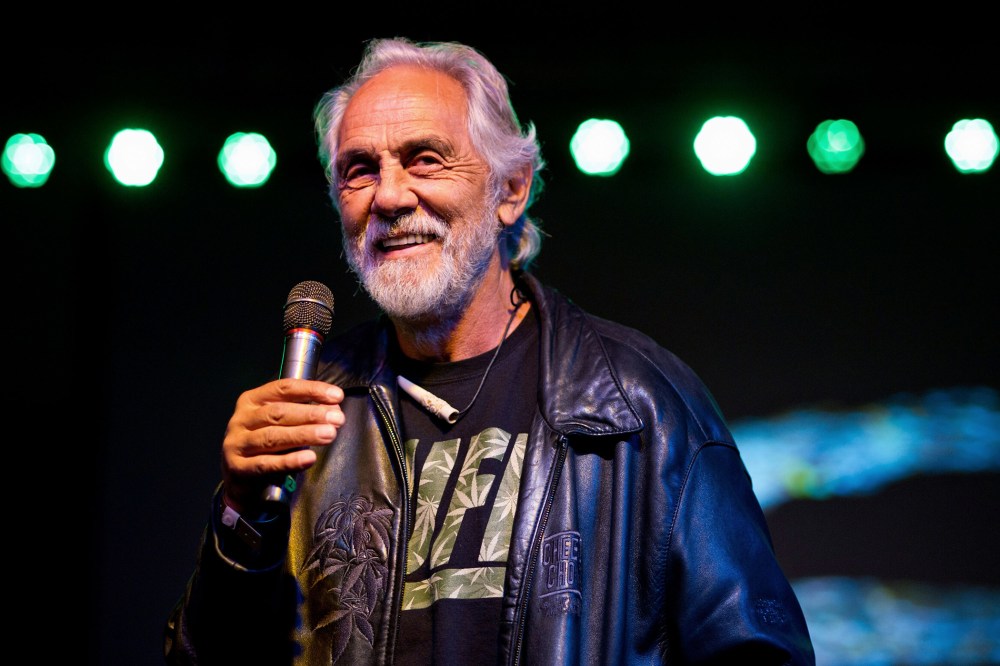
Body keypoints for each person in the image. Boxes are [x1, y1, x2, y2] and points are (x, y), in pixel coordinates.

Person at [164, 37, 815, 665]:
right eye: (360, 170)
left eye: (425, 159)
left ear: (511, 190)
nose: (389, 196)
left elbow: (756, 651)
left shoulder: (636, 401)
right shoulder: (315, 413)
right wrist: (240, 513)